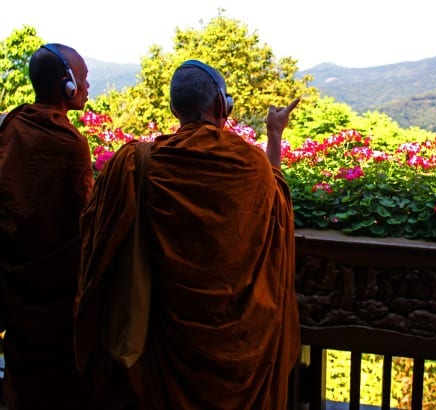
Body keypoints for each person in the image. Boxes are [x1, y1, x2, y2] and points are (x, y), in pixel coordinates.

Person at [75, 60, 301, 409]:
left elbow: (97, 234)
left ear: (173, 108)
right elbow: (278, 201)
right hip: (240, 349)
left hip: (165, 346)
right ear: (221, 106)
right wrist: (274, 134)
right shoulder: (250, 166)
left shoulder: (139, 165)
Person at [0, 43, 93, 408]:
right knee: (58, 379)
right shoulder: (69, 143)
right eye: (82, 79)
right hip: (56, 283)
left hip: (14, 273)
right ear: (66, 86)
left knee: (23, 367)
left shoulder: (12, 124)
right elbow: (83, 214)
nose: (87, 86)